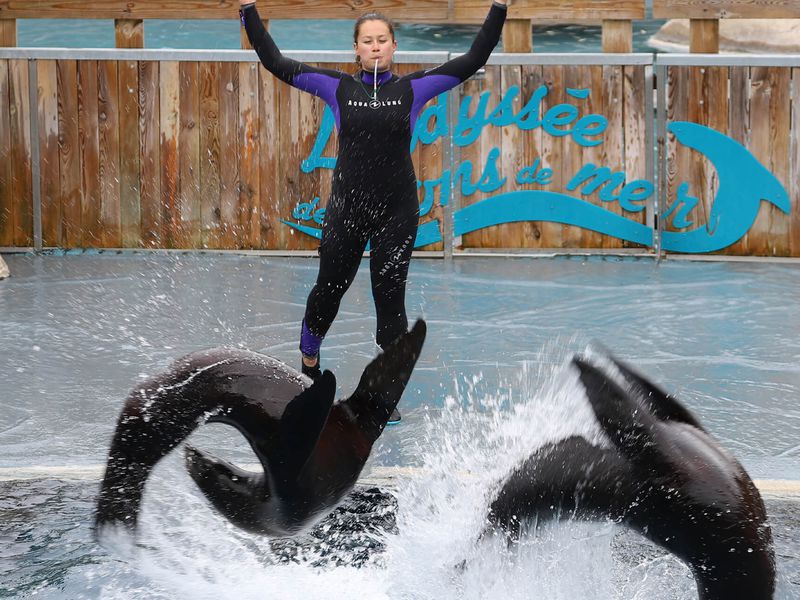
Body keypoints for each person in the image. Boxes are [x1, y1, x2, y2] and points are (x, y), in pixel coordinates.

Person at [240, 0, 507, 422]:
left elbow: (474, 58)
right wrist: (248, 10)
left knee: (391, 306)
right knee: (328, 292)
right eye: (368, 41)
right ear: (357, 49)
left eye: (383, 40)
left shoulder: (415, 89)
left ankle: (383, 395)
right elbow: (276, 62)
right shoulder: (337, 88)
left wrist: (499, 8)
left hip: (396, 212)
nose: (376, 47)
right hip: (348, 209)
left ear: (395, 47)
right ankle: (309, 365)